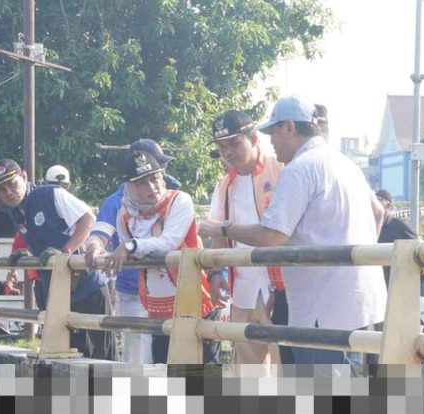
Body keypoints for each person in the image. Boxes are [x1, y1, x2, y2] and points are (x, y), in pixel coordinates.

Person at [200, 95, 387, 377]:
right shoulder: (345, 163)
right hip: (364, 300)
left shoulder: (297, 169)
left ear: (289, 127)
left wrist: (221, 228)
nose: (272, 141)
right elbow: (378, 212)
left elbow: (271, 236)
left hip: (322, 307)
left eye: (273, 132)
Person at [97, 150, 219, 364]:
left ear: (163, 177)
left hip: (195, 303)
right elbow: (129, 254)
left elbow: (168, 242)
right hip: (157, 309)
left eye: (154, 178)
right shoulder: (124, 215)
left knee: (201, 378)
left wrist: (131, 246)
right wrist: (126, 249)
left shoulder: (180, 200)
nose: (151, 187)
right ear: (129, 187)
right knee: (167, 376)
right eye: (142, 183)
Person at [0, 159, 116, 360]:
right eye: (1, 189)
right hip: (58, 290)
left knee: (103, 356)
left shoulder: (49, 194)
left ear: (24, 176)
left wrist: (65, 251)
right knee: (70, 354)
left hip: (87, 284)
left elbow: (88, 218)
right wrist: (27, 254)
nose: (8, 192)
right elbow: (41, 241)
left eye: (12, 183)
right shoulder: (15, 212)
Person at [84, 139, 180, 364]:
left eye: (160, 168)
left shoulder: (175, 198)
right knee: (138, 362)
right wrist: (94, 247)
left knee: (177, 357)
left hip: (173, 291)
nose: (161, 172)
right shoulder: (115, 203)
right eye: (158, 165)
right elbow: (99, 235)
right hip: (134, 293)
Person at [206, 109, 284, 377]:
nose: (227, 153)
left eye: (234, 144)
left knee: (288, 372)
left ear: (253, 138)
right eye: (222, 147)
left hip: (283, 288)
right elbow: (216, 233)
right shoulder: (224, 185)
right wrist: (215, 274)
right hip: (243, 290)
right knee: (248, 377)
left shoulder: (281, 169)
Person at [375, 189, 417, 287]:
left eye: (378, 200)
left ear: (388, 205)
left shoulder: (399, 226)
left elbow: (418, 247)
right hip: (375, 283)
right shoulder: (368, 228)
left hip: (395, 284)